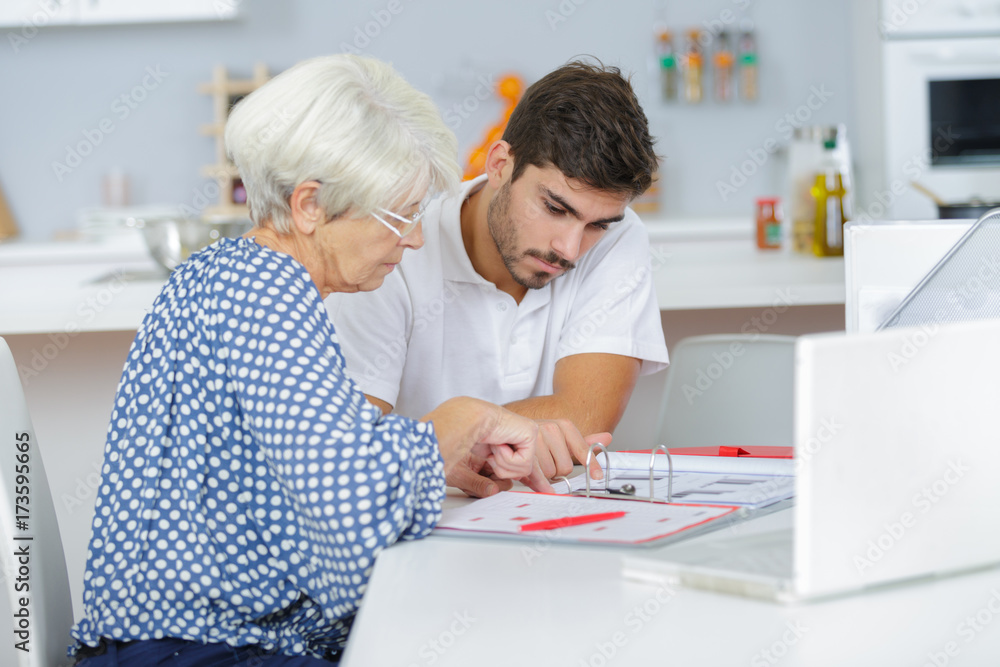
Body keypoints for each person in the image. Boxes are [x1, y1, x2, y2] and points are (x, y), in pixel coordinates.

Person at [69, 54, 571, 666]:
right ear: (309, 205)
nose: (414, 238)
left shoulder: (234, 276)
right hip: (194, 650)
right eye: (401, 214)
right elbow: (346, 509)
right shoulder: (263, 292)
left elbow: (313, 473)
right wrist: (459, 423)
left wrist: (428, 456)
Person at [325, 61, 670, 494]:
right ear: (500, 164)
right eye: (554, 208)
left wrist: (451, 440)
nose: (569, 248)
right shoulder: (397, 248)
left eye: (596, 224)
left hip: (547, 522)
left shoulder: (618, 236)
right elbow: (347, 446)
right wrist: (454, 440)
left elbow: (584, 416)